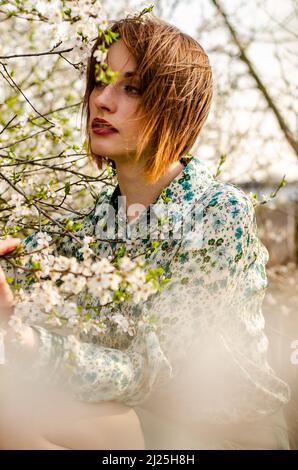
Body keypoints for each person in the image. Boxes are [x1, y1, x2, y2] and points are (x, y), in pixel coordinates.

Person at [0, 13, 291, 449]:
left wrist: (25, 343)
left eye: (131, 88)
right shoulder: (91, 227)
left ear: (175, 106)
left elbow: (157, 374)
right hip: (127, 420)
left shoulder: (218, 214)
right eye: (100, 82)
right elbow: (23, 276)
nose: (102, 101)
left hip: (223, 434)